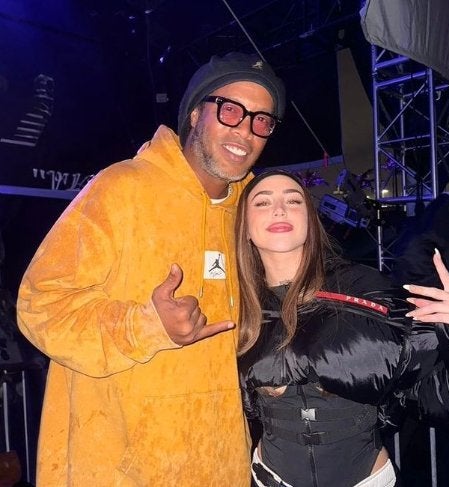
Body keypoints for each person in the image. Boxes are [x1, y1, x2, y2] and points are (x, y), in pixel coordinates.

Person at [16, 52, 285, 486]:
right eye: (231, 110)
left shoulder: (249, 214)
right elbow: (40, 304)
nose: (245, 130)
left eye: (262, 120)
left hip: (218, 466)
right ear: (195, 113)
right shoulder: (123, 187)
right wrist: (145, 326)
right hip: (119, 468)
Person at [234, 170, 449, 487]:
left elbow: (443, 390)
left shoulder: (367, 290)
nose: (279, 209)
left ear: (311, 221)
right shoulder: (233, 305)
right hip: (269, 478)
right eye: (263, 203)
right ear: (245, 228)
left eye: (293, 201)